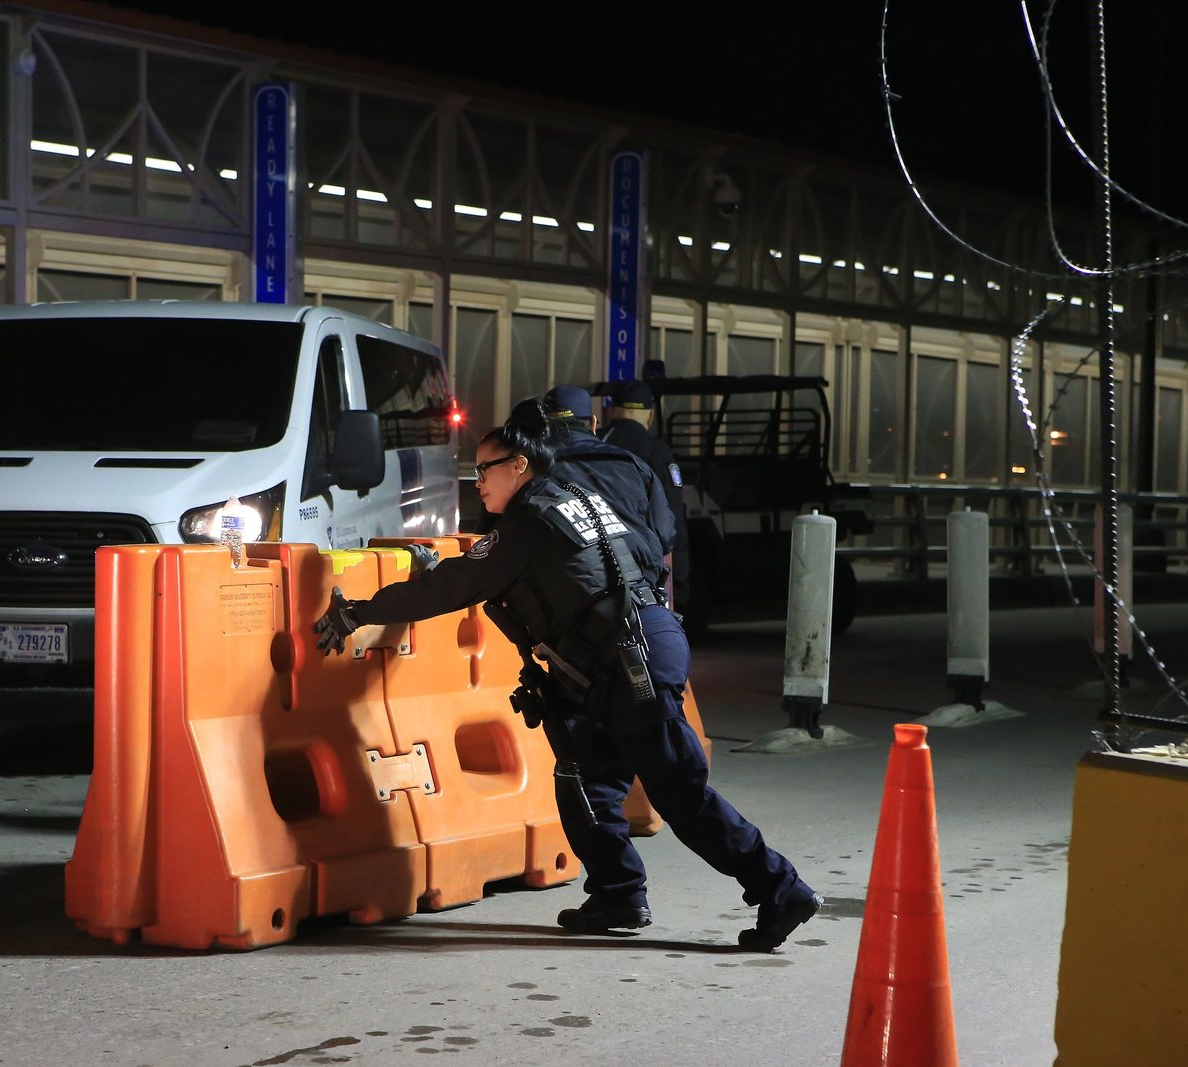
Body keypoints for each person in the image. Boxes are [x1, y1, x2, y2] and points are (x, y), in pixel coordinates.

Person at [312, 397, 821, 950]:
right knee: (585, 776)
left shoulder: (530, 522)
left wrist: (358, 611)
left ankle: (780, 887)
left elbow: (454, 586)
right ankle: (617, 895)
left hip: (631, 660)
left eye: (484, 469)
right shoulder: (566, 502)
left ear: (520, 467)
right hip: (622, 656)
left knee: (680, 792)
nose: (476, 480)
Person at [542, 384, 675, 606]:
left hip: (558, 598)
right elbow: (665, 535)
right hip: (635, 593)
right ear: (593, 423)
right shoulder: (634, 465)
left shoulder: (528, 471)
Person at [598, 379, 691, 615]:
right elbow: (671, 516)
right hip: (641, 564)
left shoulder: (593, 443)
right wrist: (679, 574)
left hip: (592, 558)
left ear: (609, 412)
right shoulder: (656, 452)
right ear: (649, 417)